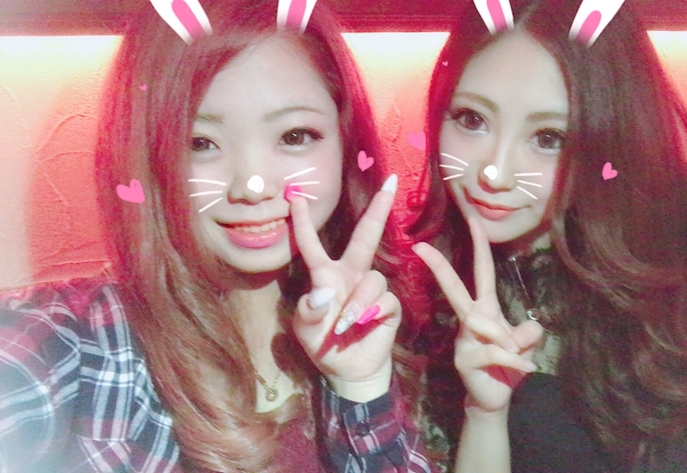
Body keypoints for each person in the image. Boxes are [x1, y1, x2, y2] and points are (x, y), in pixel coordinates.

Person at [408, 1, 687, 472]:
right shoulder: (427, 284)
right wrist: (482, 411)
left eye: (549, 138)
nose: (495, 173)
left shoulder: (660, 217)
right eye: (472, 119)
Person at [0, 0, 432, 471]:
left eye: (294, 136)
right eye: (199, 143)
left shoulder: (393, 325)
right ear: (148, 155)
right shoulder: (74, 343)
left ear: (346, 143)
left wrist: (360, 385)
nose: (252, 186)